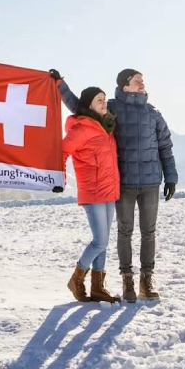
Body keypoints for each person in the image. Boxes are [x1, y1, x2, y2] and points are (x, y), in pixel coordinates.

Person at [49, 68, 178, 302]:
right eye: (137, 81)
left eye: (143, 81)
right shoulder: (112, 109)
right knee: (123, 233)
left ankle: (146, 280)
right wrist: (60, 85)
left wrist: (171, 176)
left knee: (148, 232)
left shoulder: (153, 113)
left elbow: (165, 147)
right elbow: (80, 107)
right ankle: (127, 280)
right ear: (124, 85)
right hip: (124, 183)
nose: (142, 84)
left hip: (149, 182)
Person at [62, 87, 121, 303]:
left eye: (104, 99)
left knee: (103, 241)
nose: (104, 103)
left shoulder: (106, 127)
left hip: (109, 191)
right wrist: (60, 179)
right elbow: (61, 151)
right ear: (89, 105)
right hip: (93, 191)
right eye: (99, 100)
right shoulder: (82, 128)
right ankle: (76, 279)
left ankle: (98, 288)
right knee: (100, 241)